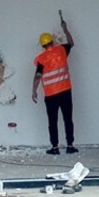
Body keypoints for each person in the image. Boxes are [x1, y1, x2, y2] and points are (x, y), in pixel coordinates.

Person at [32, 11, 76, 155]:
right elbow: (71, 43)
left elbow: (38, 76)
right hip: (65, 91)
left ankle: (55, 147)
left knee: (53, 121)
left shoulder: (42, 58)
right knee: (68, 119)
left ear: (42, 45)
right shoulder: (62, 50)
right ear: (52, 41)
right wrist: (65, 29)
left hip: (51, 95)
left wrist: (33, 91)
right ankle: (70, 145)